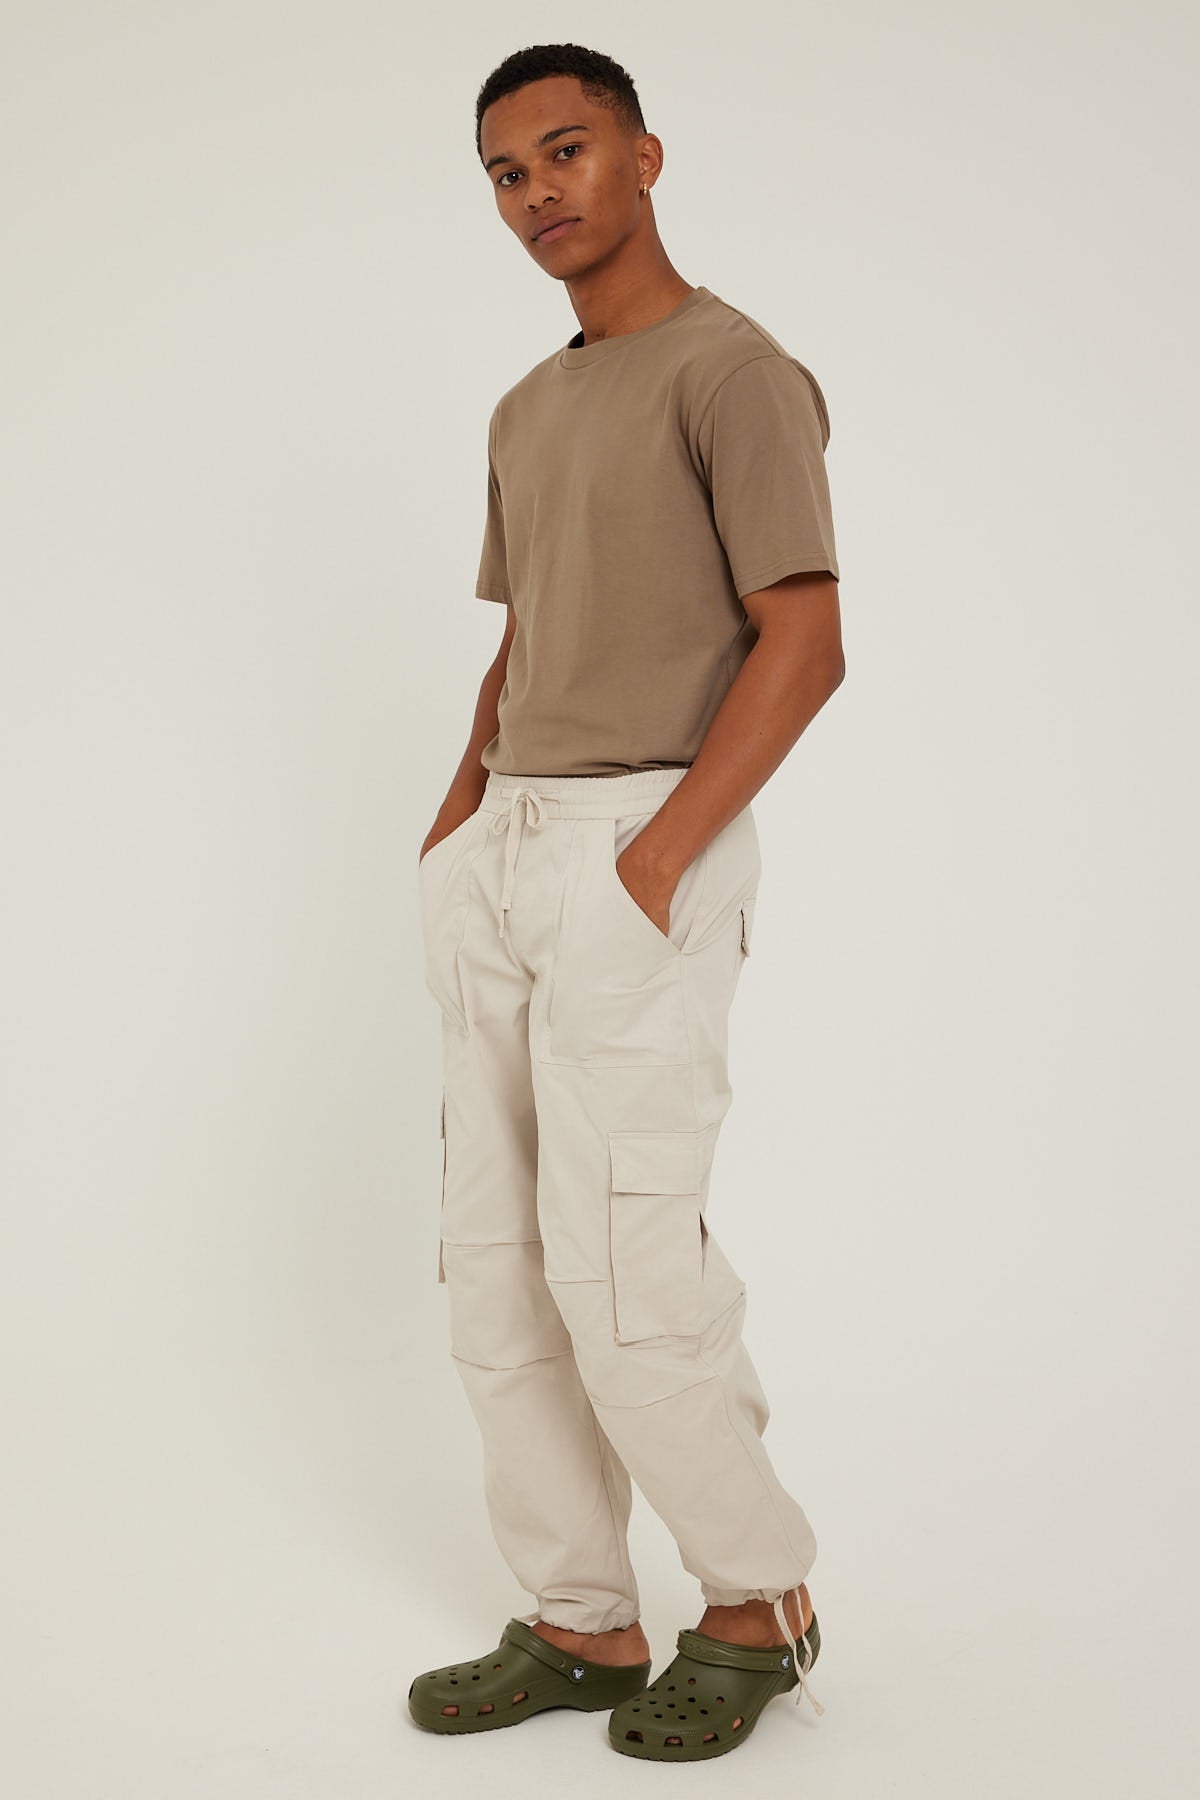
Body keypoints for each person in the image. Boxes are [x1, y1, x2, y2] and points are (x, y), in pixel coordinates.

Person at [407, 42, 845, 1764]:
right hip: (506, 851)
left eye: (567, 151)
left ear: (645, 156)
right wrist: (459, 817)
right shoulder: (526, 408)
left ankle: (756, 1602)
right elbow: (528, 630)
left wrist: (654, 861)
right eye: (507, 174)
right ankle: (582, 1614)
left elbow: (805, 642)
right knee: (495, 1270)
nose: (538, 194)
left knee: (624, 1256)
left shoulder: (736, 373)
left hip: (641, 837)